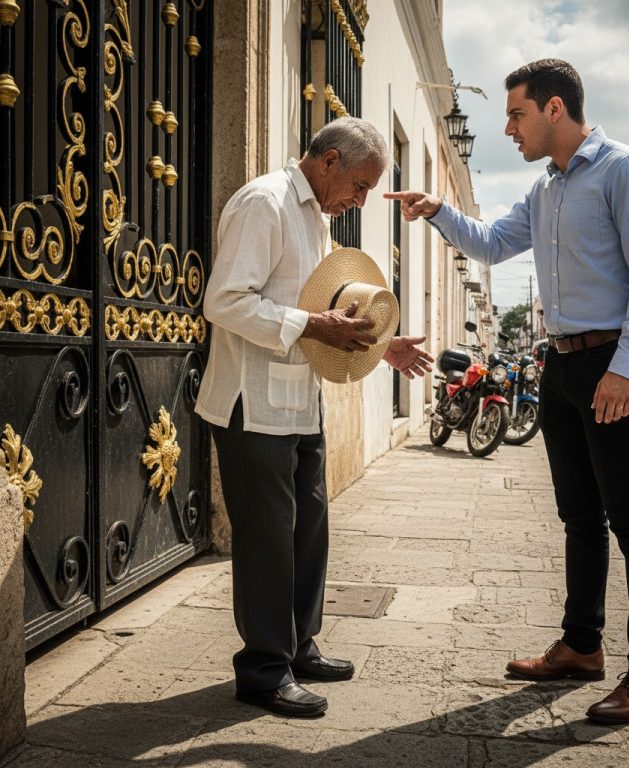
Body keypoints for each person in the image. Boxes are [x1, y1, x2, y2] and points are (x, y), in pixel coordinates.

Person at [385, 59, 629, 724]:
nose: (509, 129)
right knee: (579, 516)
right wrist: (438, 211)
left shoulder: (625, 171)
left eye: (516, 114)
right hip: (562, 369)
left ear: (554, 108)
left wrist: (627, 369)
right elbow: (490, 245)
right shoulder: (545, 190)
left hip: (613, 363)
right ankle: (582, 645)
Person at [195, 117, 433, 718]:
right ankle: (264, 671)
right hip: (252, 405)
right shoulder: (265, 203)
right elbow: (224, 301)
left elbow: (325, 309)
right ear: (328, 161)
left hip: (300, 400)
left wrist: (384, 345)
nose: (361, 200)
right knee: (267, 541)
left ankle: (299, 647)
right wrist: (310, 326)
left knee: (309, 531)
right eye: (360, 185)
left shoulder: (315, 218)